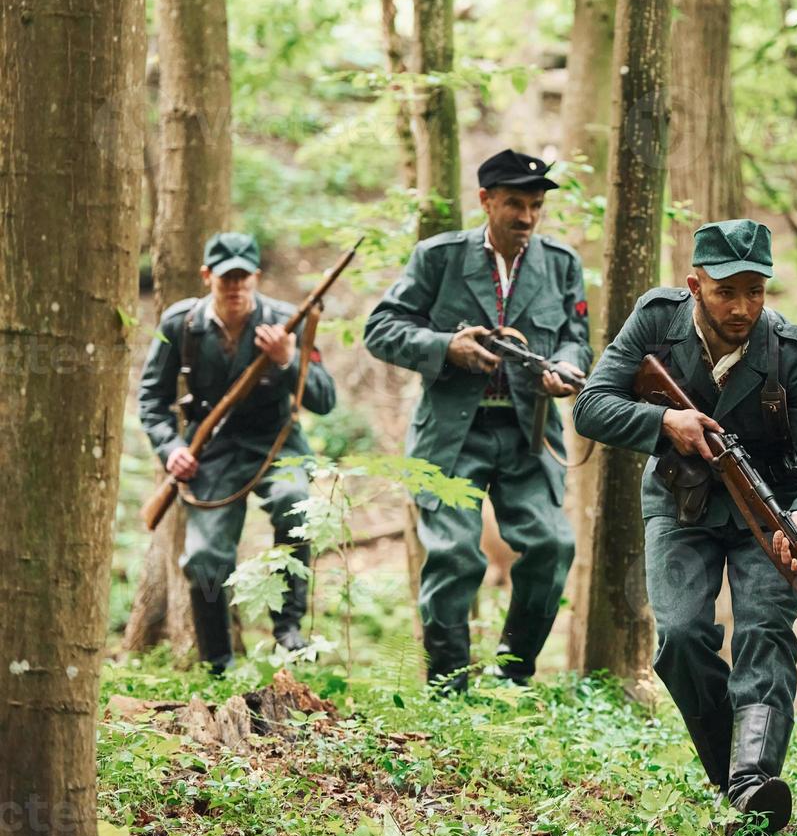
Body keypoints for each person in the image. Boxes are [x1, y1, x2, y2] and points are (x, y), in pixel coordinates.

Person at [572, 219, 797, 834]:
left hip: (769, 510)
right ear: (695, 285)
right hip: (681, 505)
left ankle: (754, 781)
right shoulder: (655, 321)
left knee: (764, 631)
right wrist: (664, 423)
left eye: (756, 290)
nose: (743, 306)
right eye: (728, 291)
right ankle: (734, 775)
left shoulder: (795, 352)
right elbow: (590, 405)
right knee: (679, 635)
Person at [364, 149, 590, 693]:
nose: (527, 218)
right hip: (451, 434)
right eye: (515, 204)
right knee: (454, 554)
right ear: (485, 201)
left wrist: (565, 367)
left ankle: (514, 675)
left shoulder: (560, 263)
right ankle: (449, 690)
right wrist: (447, 347)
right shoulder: (438, 258)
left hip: (527, 433)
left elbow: (575, 338)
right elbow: (382, 328)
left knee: (552, 545)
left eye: (535, 206)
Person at [138, 232, 338, 673]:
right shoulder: (181, 324)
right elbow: (151, 399)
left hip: (277, 442)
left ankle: (287, 629)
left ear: (256, 277)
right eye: (226, 277)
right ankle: (217, 661)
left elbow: (324, 399)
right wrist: (171, 450)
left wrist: (287, 359)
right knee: (206, 560)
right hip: (211, 450)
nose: (235, 287)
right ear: (207, 276)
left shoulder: (289, 321)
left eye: (243, 277)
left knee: (294, 505)